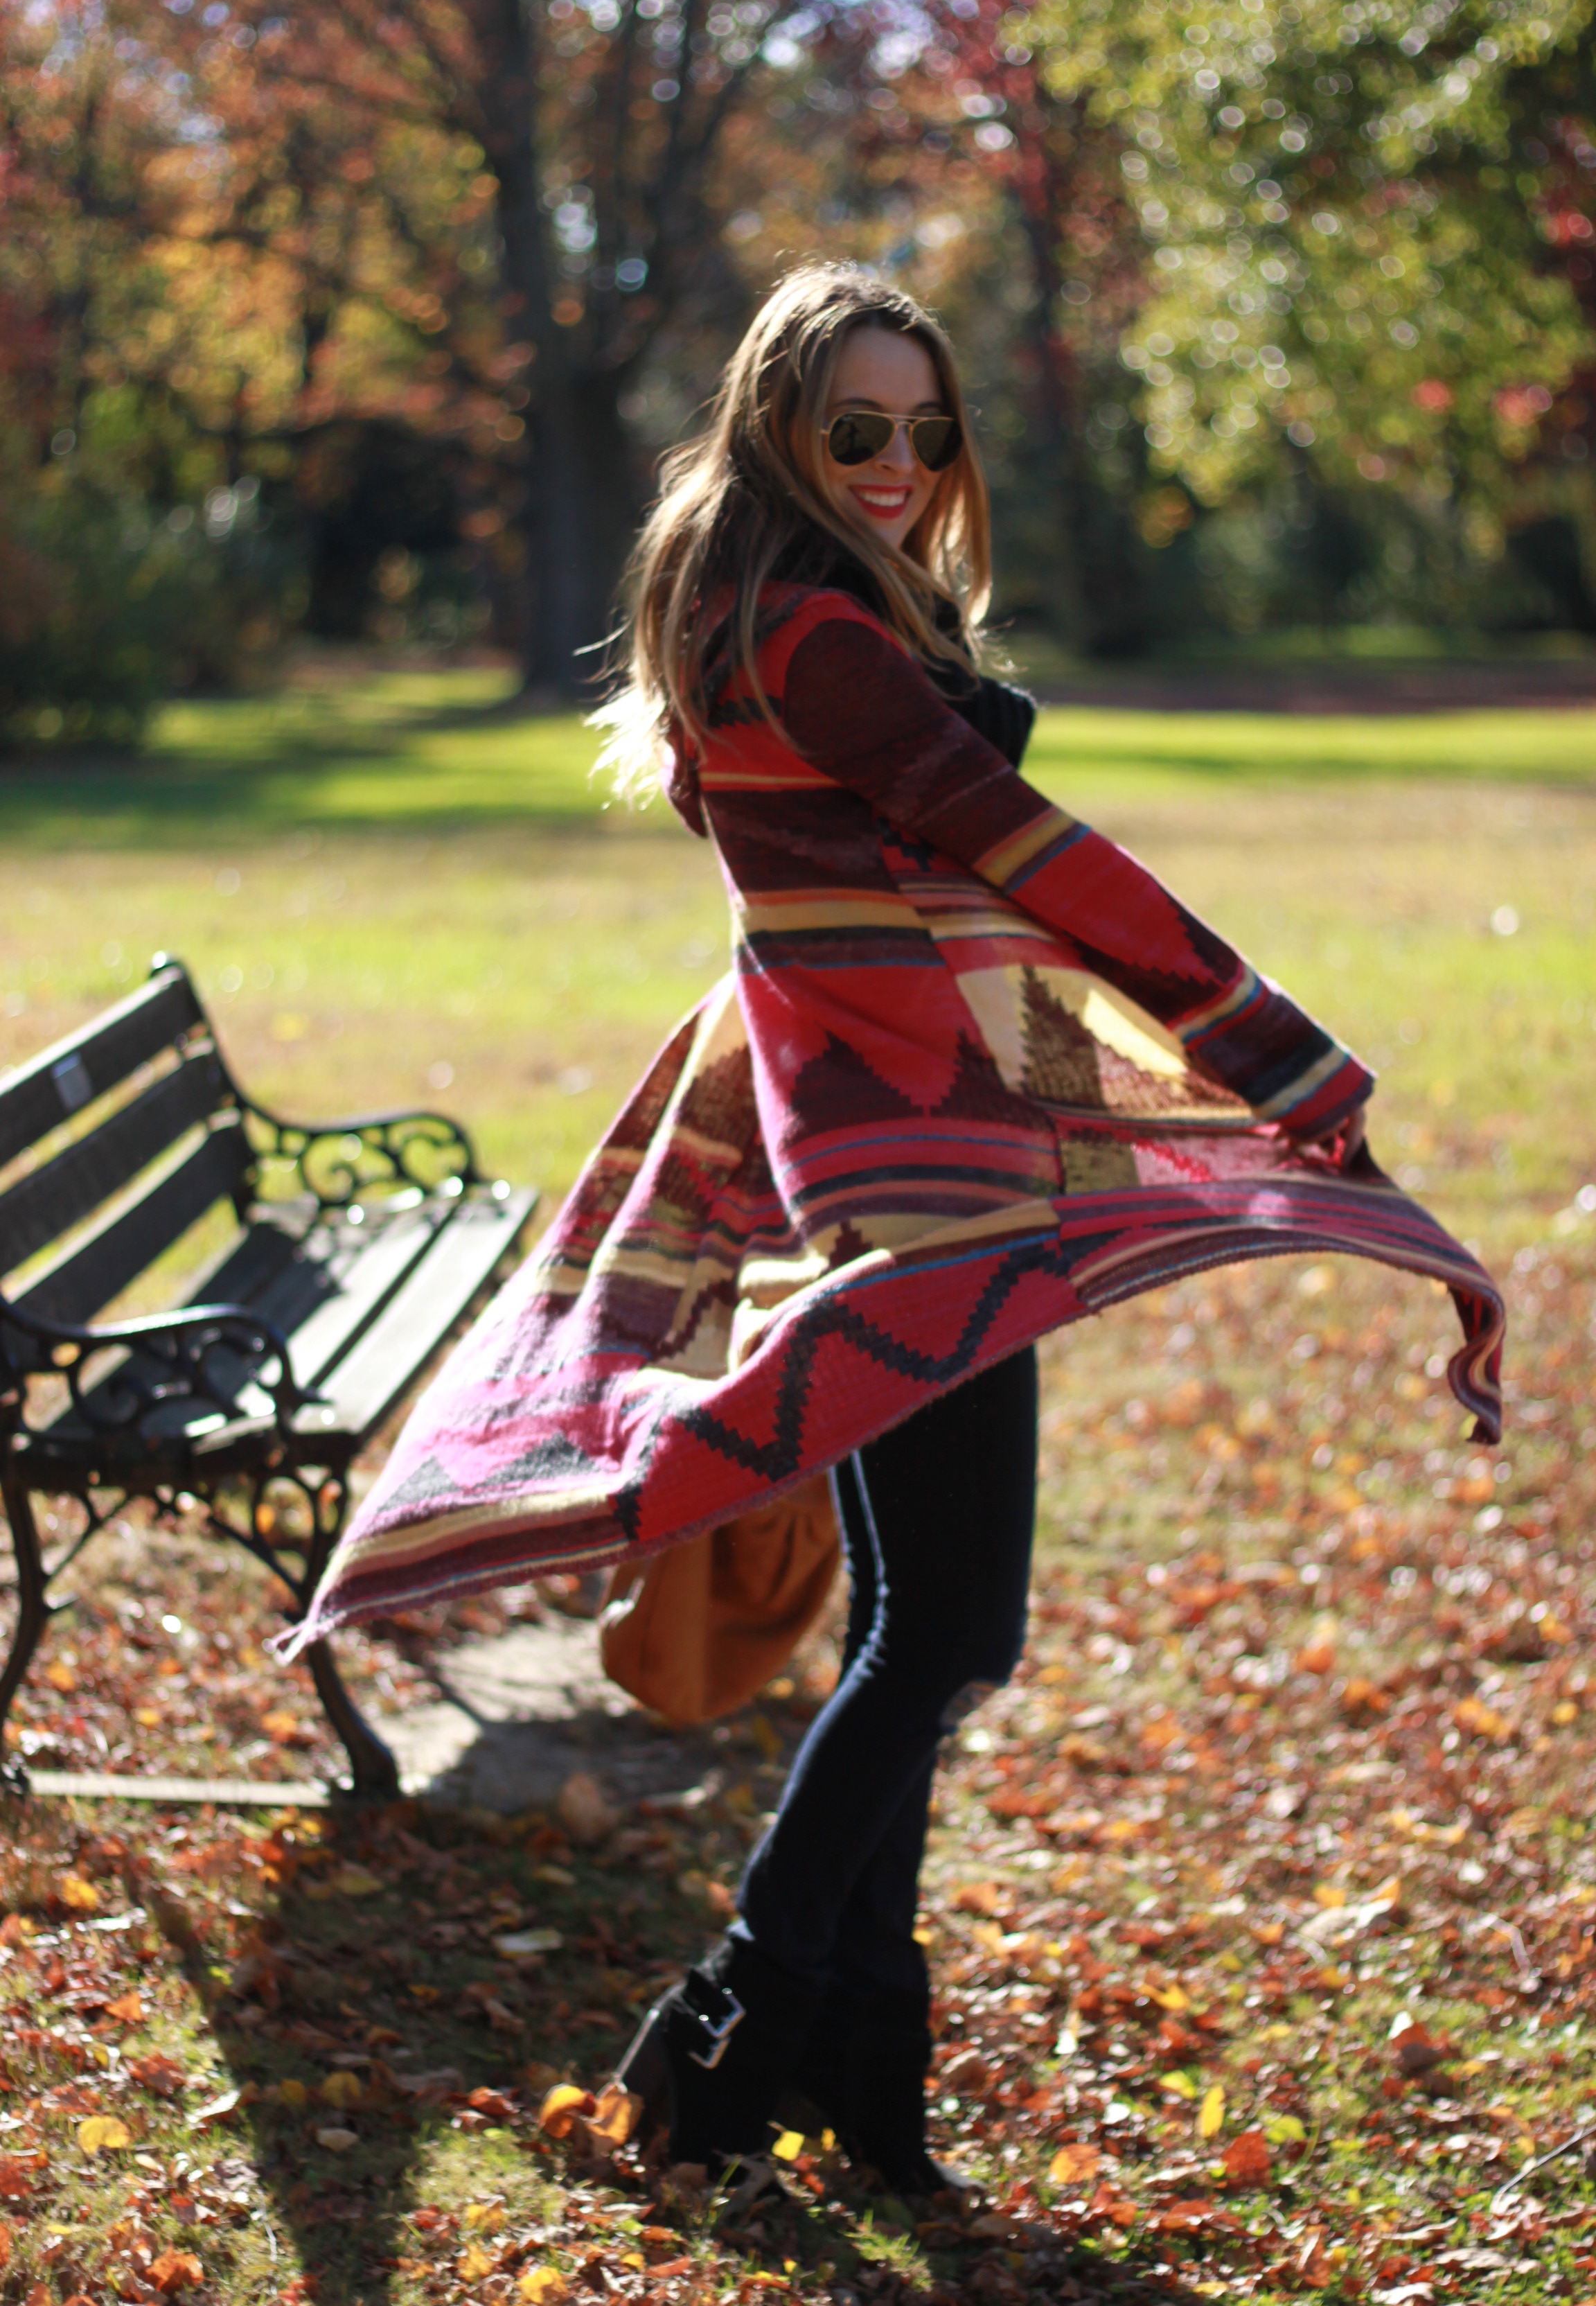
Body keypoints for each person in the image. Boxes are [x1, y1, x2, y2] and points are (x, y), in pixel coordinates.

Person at [280, 265, 1502, 2192]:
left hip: (882, 1144)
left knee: (910, 1624)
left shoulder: (745, 601)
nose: (902, 464)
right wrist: (1271, 1049)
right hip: (928, 1174)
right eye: (860, 428)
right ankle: (742, 2008)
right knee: (952, 1631)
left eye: (930, 432)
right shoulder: (819, 633)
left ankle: (859, 2066)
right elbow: (1036, 861)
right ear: (781, 423)